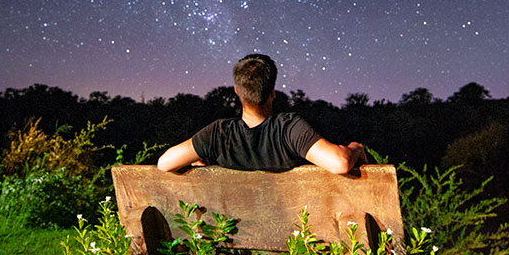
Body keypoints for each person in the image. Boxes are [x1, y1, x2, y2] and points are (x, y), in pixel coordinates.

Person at [157, 53, 367, 174]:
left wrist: (199, 157)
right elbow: (340, 163)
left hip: (231, 247)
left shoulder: (218, 133)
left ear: (237, 91)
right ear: (272, 92)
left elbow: (164, 163)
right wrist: (356, 148)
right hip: (291, 246)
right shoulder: (289, 129)